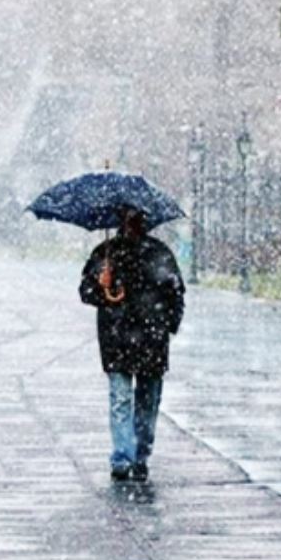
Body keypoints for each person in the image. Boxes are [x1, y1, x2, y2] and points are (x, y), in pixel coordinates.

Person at [79, 206, 185, 482]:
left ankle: (139, 454)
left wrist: (167, 325)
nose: (132, 224)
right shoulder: (106, 254)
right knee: (122, 399)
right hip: (118, 338)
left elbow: (175, 293)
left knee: (146, 401)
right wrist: (100, 285)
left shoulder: (159, 253)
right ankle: (123, 457)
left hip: (150, 340)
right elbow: (86, 292)